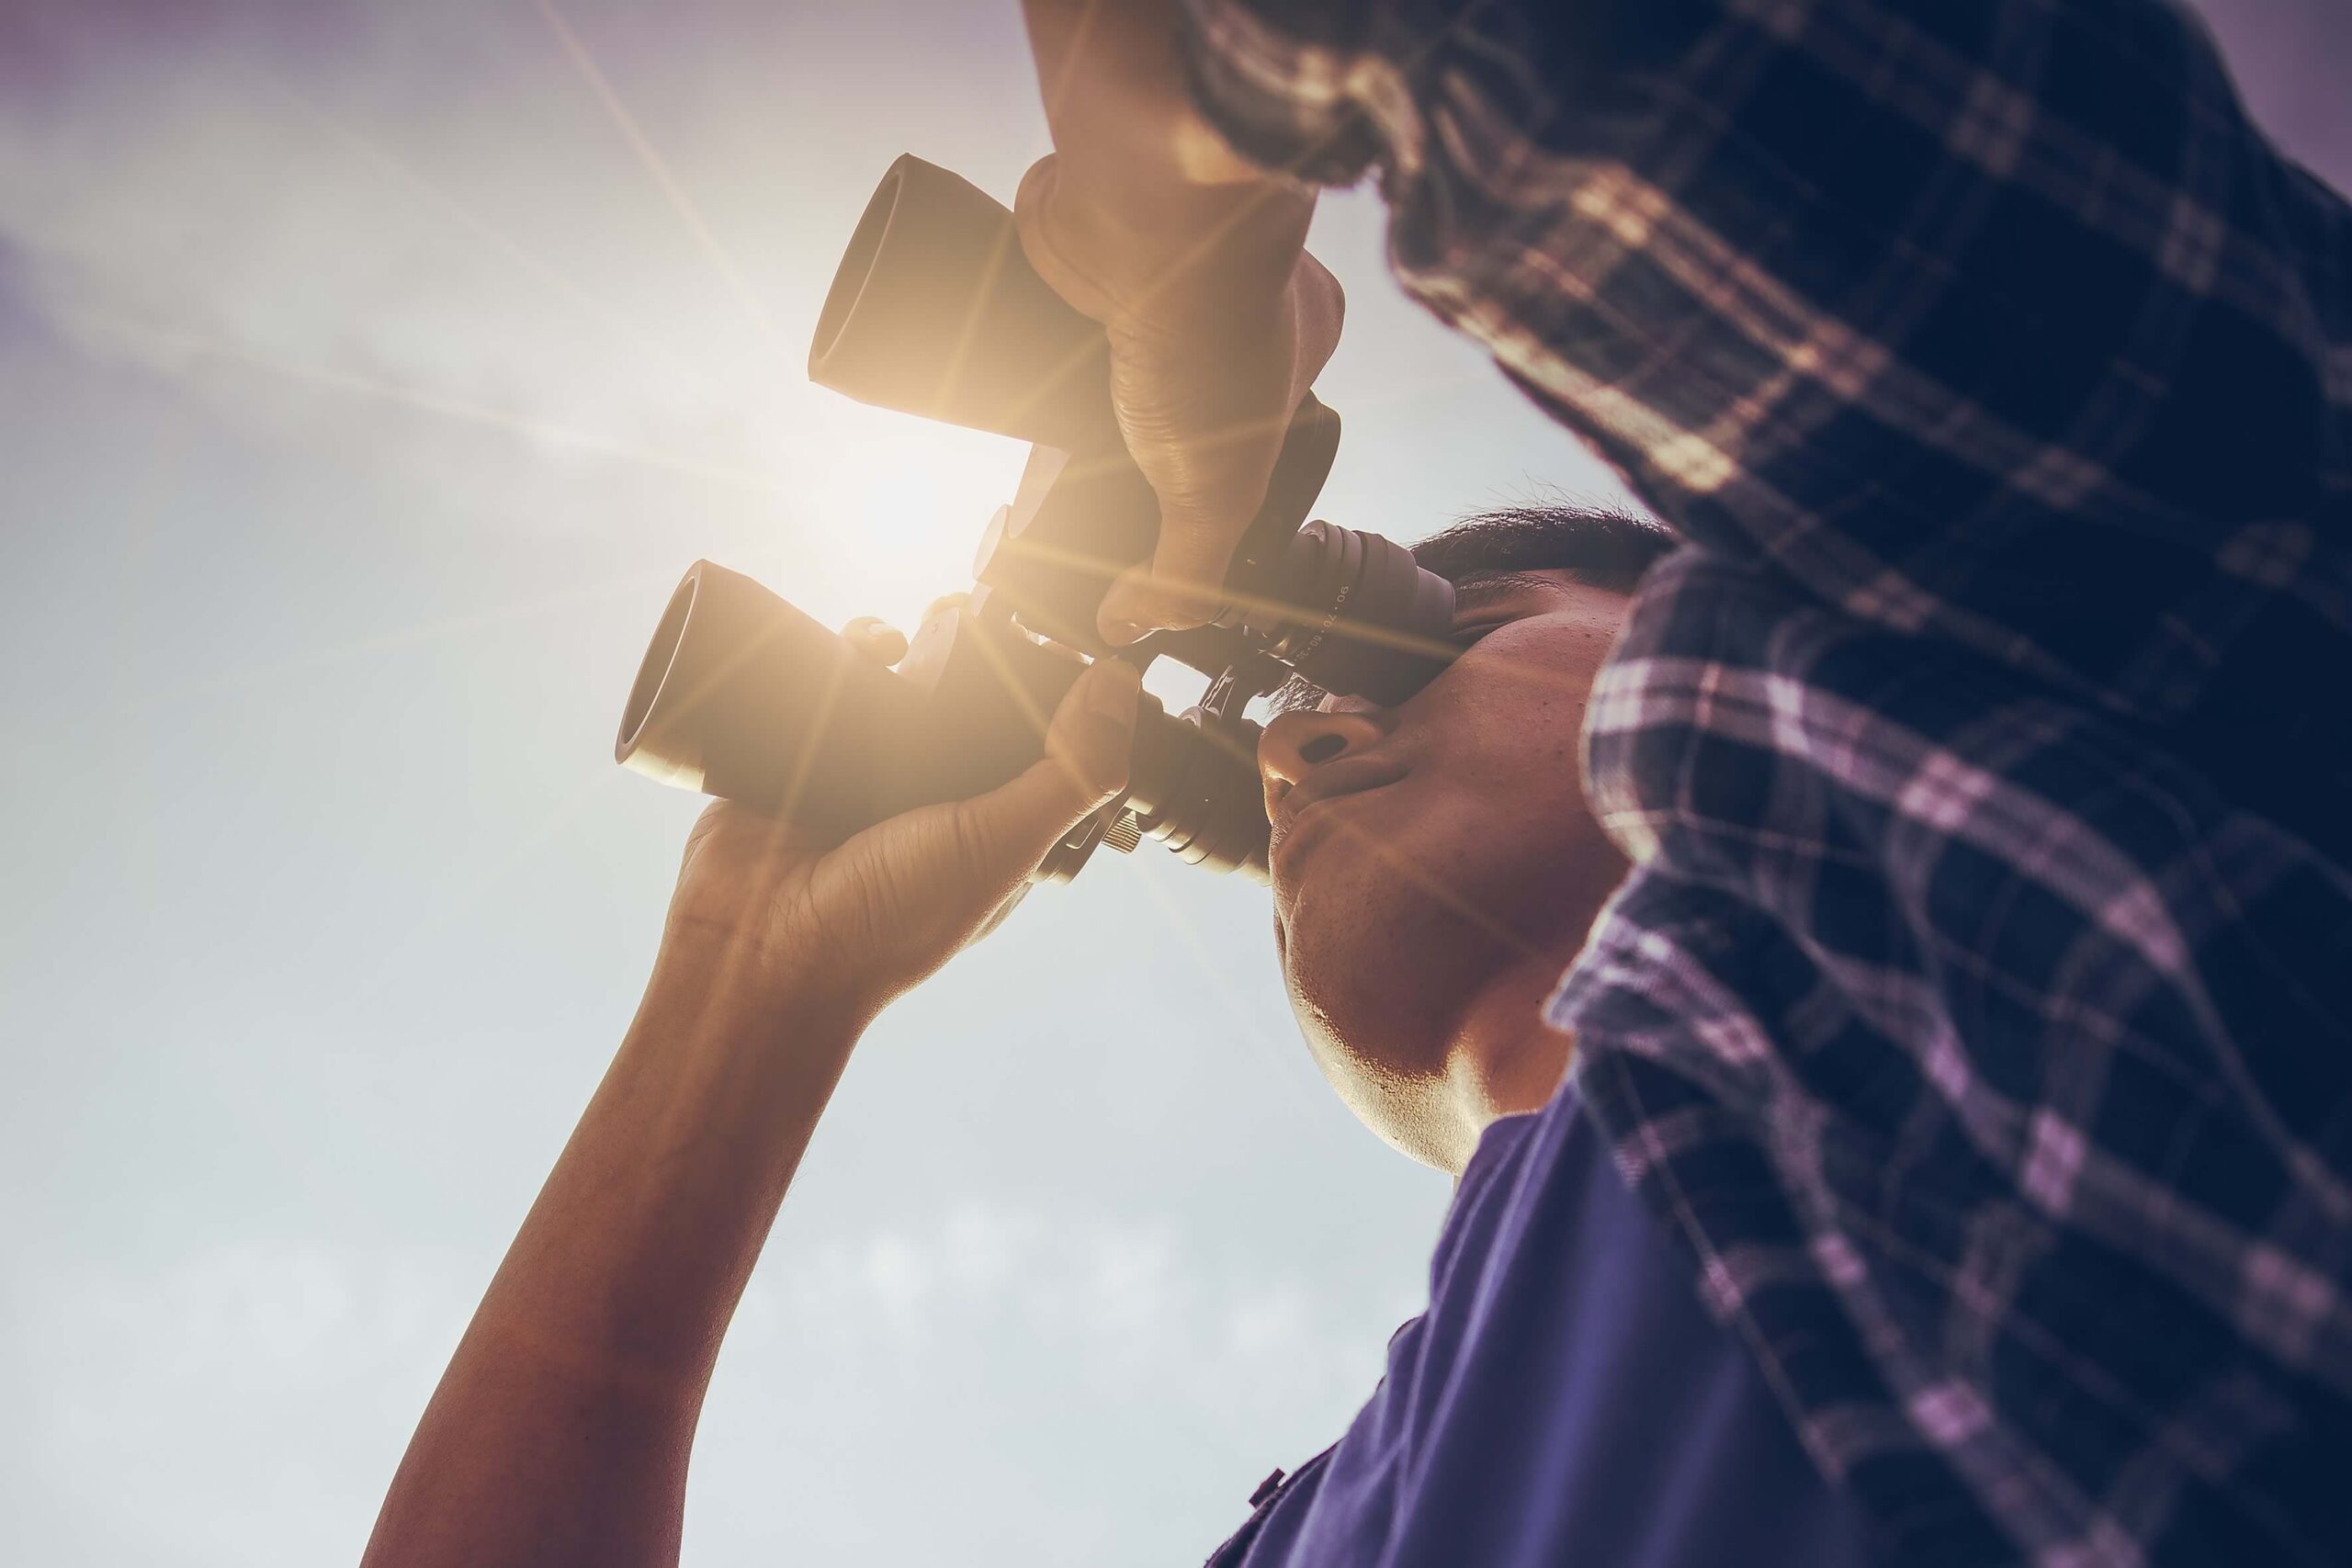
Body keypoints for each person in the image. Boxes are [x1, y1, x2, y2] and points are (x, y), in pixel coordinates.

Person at [364, 2, 2352, 1564]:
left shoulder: (2048, 699)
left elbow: (1829, 132)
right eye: (1240, 784)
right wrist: (751, 986)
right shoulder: (1318, 1533)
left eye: (1445, 618)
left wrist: (1183, 254)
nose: (1290, 740)